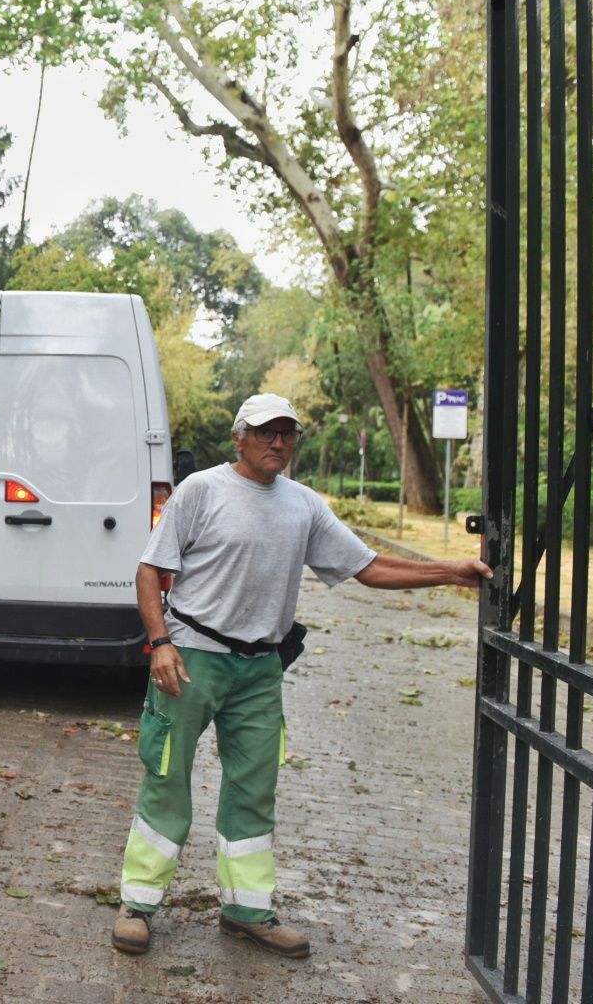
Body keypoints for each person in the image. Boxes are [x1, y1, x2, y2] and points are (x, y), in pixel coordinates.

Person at [111, 393, 491, 959]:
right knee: (168, 778)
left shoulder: (304, 505)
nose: (279, 443)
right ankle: (138, 905)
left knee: (254, 789)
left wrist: (449, 572)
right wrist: (160, 644)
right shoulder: (201, 491)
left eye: (288, 433)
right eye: (267, 432)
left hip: (260, 669)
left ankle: (247, 910)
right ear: (239, 437)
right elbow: (149, 569)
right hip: (192, 657)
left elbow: (369, 566)